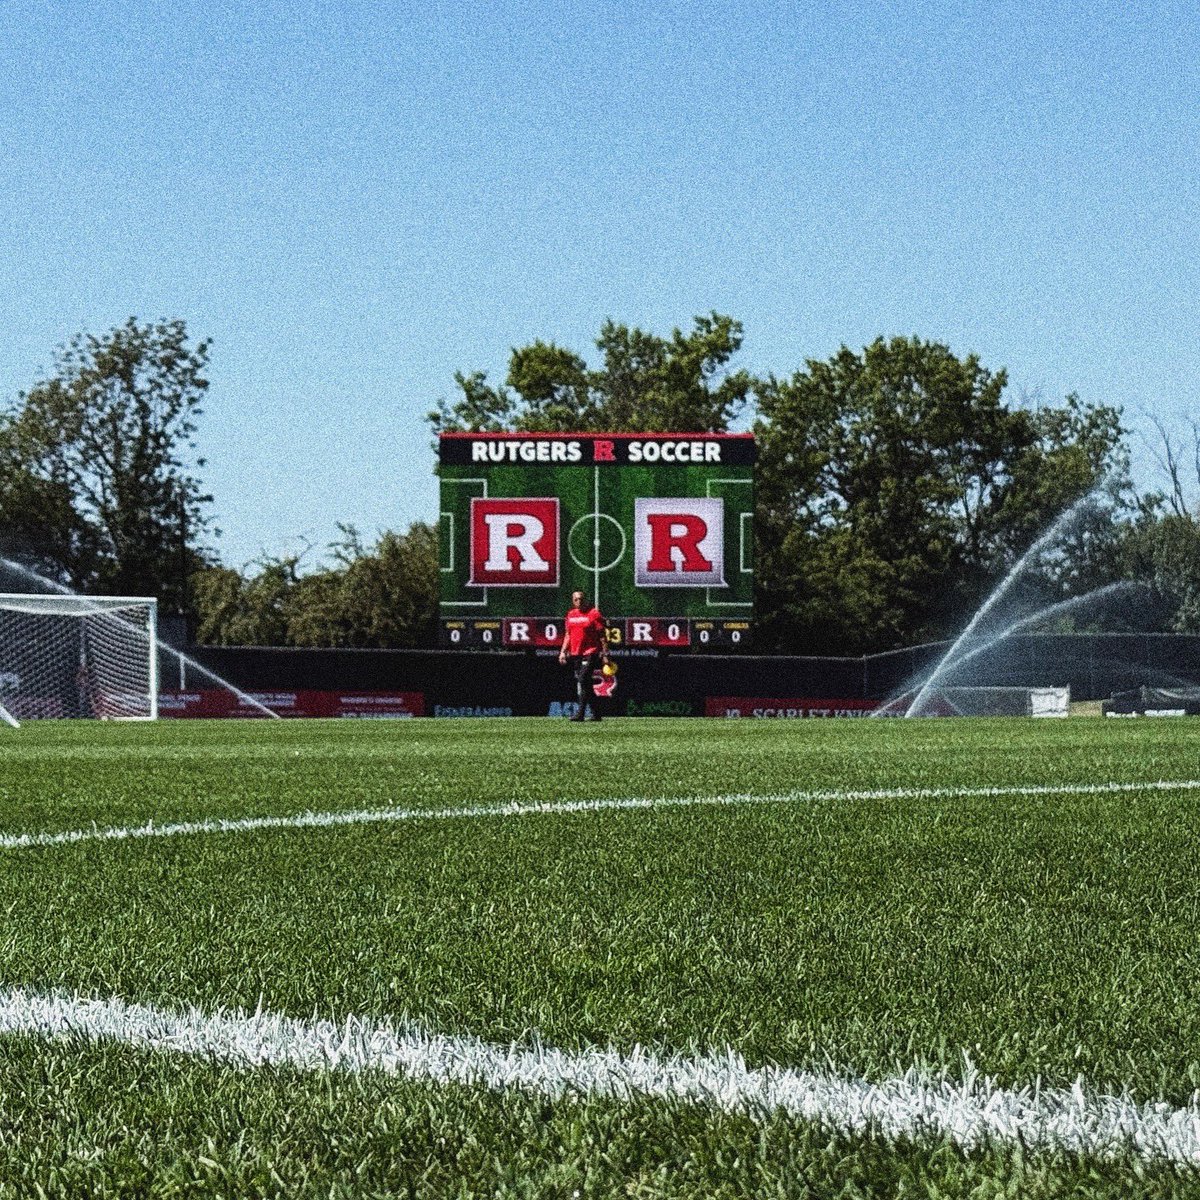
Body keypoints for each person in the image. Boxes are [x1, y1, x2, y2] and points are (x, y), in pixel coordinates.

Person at [559, 589, 609, 722]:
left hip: (590, 652)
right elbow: (568, 635)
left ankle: (580, 714)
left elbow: (602, 636)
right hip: (576, 653)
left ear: (585, 599)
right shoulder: (570, 615)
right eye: (576, 599)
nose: (579, 601)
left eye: (581, 599)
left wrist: (605, 655)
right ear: (572, 601)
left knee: (583, 679)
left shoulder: (593, 614)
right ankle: (597, 714)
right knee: (586, 684)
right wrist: (563, 652)